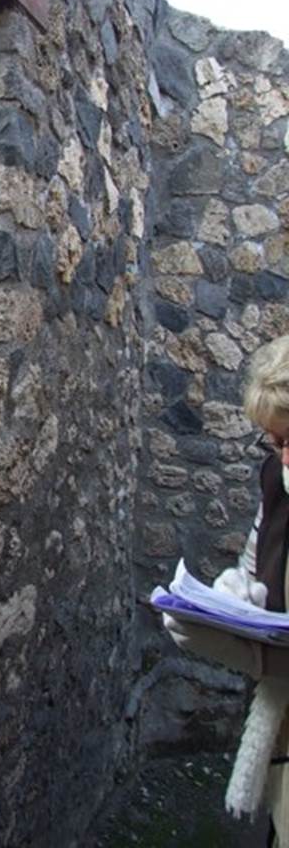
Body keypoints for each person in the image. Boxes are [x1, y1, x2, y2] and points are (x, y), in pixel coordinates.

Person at [163, 334, 289, 847]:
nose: (284, 457)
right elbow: (256, 567)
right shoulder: (276, 482)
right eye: (276, 442)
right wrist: (237, 597)